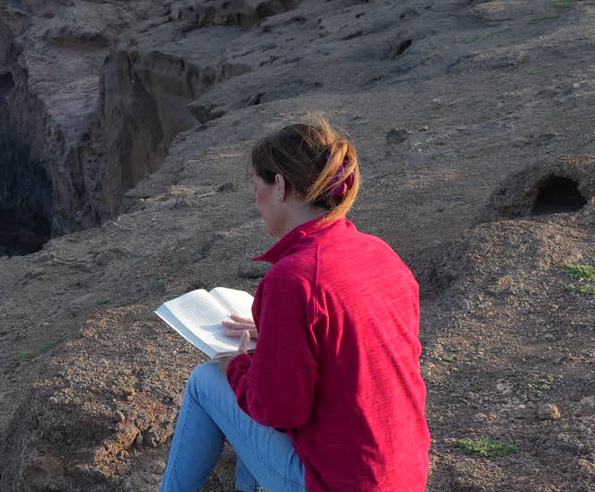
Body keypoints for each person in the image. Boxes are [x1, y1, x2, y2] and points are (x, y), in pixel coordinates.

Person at [158, 118, 429, 492]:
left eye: (257, 188)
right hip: (402, 473)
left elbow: (279, 411)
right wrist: (278, 334)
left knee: (207, 381)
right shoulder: (380, 254)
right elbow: (350, 345)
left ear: (281, 186)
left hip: (337, 483)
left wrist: (233, 364)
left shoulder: (295, 278)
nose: (256, 203)